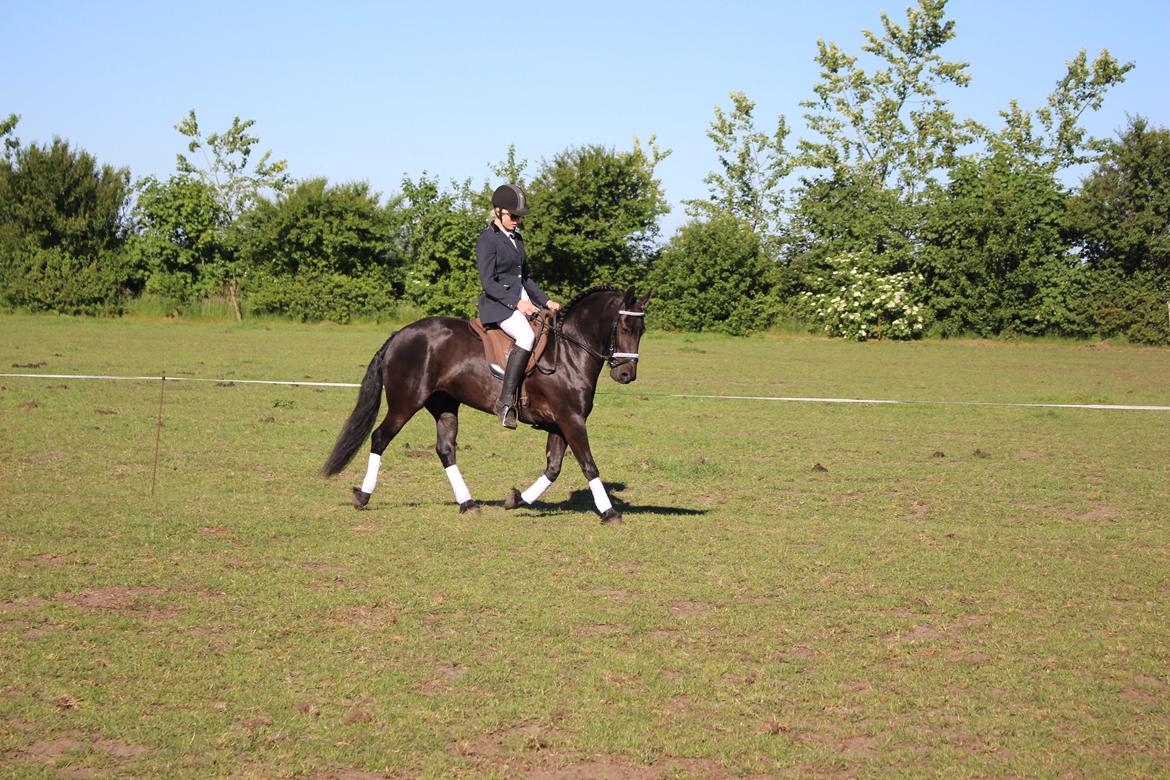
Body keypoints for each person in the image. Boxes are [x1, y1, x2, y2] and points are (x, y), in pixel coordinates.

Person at [477, 183, 561, 429]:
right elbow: (488, 282)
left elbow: (525, 279)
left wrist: (546, 300)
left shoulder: (517, 239)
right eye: (513, 216)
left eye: (519, 217)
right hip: (499, 306)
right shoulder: (487, 240)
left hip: (523, 303)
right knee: (525, 336)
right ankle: (504, 403)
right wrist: (517, 303)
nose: (517, 221)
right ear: (499, 212)